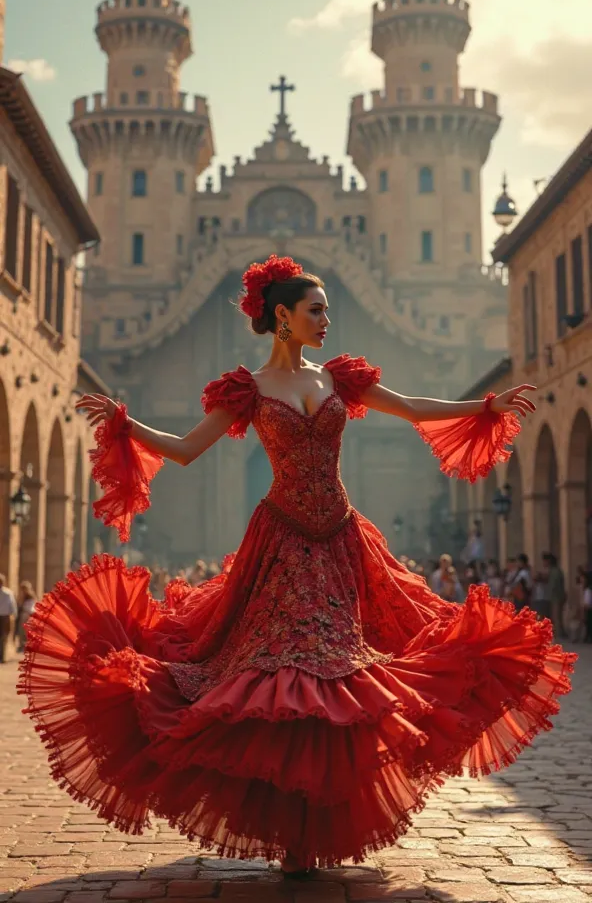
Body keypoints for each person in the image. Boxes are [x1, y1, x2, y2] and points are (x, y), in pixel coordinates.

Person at [17, 253, 575, 878]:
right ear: (282, 317)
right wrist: (125, 425)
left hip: (341, 540)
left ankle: (312, 825)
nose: (327, 320)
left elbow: (416, 408)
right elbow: (184, 451)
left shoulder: (341, 379)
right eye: (316, 310)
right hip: (280, 545)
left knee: (340, 671)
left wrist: (483, 410)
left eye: (328, 310)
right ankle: (294, 831)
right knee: (283, 673)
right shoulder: (246, 391)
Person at [543, 552, 567, 639]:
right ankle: (560, 633)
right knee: (557, 616)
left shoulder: (554, 571)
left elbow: (554, 586)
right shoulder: (555, 570)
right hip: (556, 596)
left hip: (556, 597)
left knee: (556, 616)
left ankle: (559, 634)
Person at [14, 581, 36, 654]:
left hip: (27, 615)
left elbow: (31, 607)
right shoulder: (22, 597)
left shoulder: (30, 596)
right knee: (21, 632)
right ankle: (22, 646)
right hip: (23, 615)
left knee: (26, 632)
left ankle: (27, 646)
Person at [0, 574, 16, 663]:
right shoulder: (8, 592)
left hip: (5, 617)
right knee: (4, 637)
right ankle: (2, 657)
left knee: (3, 637)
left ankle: (2, 656)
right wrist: (14, 616)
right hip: (5, 617)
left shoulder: (8, 593)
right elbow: (13, 606)